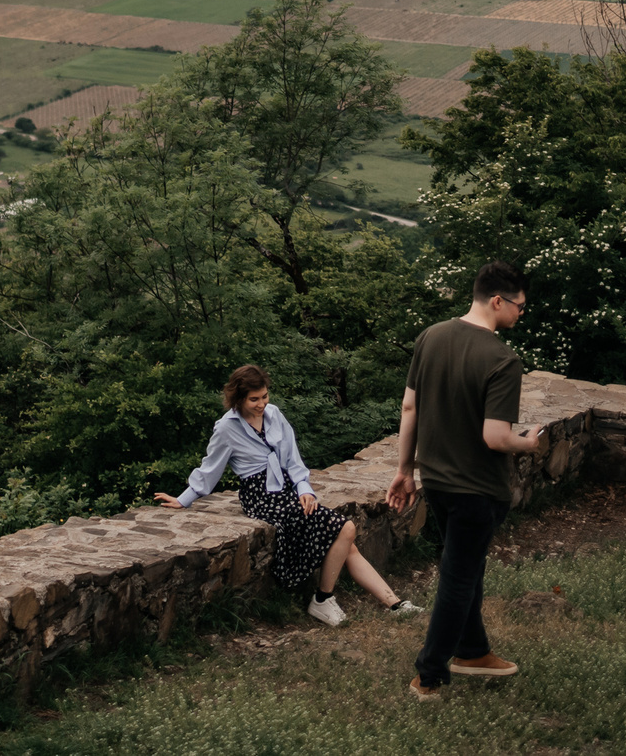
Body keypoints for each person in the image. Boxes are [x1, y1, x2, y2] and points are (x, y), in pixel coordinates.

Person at [387, 257, 545, 701]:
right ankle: (430, 673)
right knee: (458, 578)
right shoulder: (502, 359)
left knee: (464, 567)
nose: (520, 313)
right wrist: (528, 443)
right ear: (497, 301)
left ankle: (473, 652)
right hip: (477, 487)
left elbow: (409, 409)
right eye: (518, 306)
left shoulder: (431, 337)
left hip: (436, 481)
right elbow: (495, 438)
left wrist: (404, 471)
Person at [155, 364, 421, 626]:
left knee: (344, 538)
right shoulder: (226, 428)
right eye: (254, 399)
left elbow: (293, 460)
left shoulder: (274, 414)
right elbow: (209, 468)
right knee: (345, 527)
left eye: (265, 396)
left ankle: (393, 603)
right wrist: (184, 499)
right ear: (238, 398)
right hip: (259, 496)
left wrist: (305, 490)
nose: (261, 404)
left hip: (286, 489)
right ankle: (323, 599)